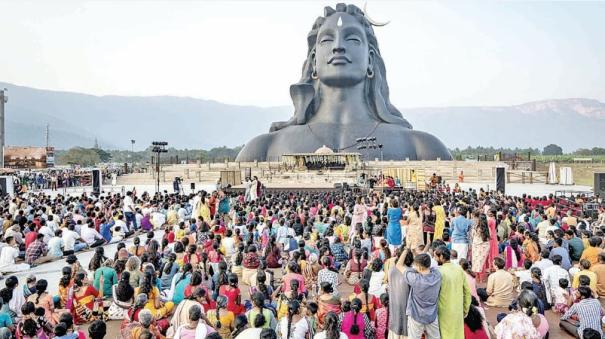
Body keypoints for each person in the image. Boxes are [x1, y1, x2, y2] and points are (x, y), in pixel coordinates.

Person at [435, 245, 471, 339]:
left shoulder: (439, 272)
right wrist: (465, 308)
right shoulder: (459, 269)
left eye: (436, 256)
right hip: (458, 310)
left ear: (442, 257)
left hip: (444, 312)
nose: (435, 259)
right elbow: (467, 291)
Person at [403, 252, 441, 339]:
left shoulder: (415, 278)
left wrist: (414, 269)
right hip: (432, 316)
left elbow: (404, 269)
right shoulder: (437, 275)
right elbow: (433, 268)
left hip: (416, 316)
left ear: (419, 267)